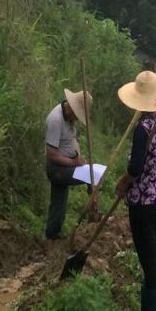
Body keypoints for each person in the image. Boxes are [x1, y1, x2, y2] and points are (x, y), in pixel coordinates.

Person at [115, 71, 156, 311]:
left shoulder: (143, 129)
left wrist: (123, 181)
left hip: (142, 203)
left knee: (149, 263)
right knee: (150, 260)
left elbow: (135, 168)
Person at [43, 88, 93, 240]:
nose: (77, 119)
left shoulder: (69, 117)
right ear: (71, 107)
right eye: (77, 115)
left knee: (59, 205)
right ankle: (92, 209)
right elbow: (50, 153)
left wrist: (79, 158)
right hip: (57, 169)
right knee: (92, 175)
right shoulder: (56, 120)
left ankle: (52, 235)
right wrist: (73, 162)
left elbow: (72, 140)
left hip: (68, 165)